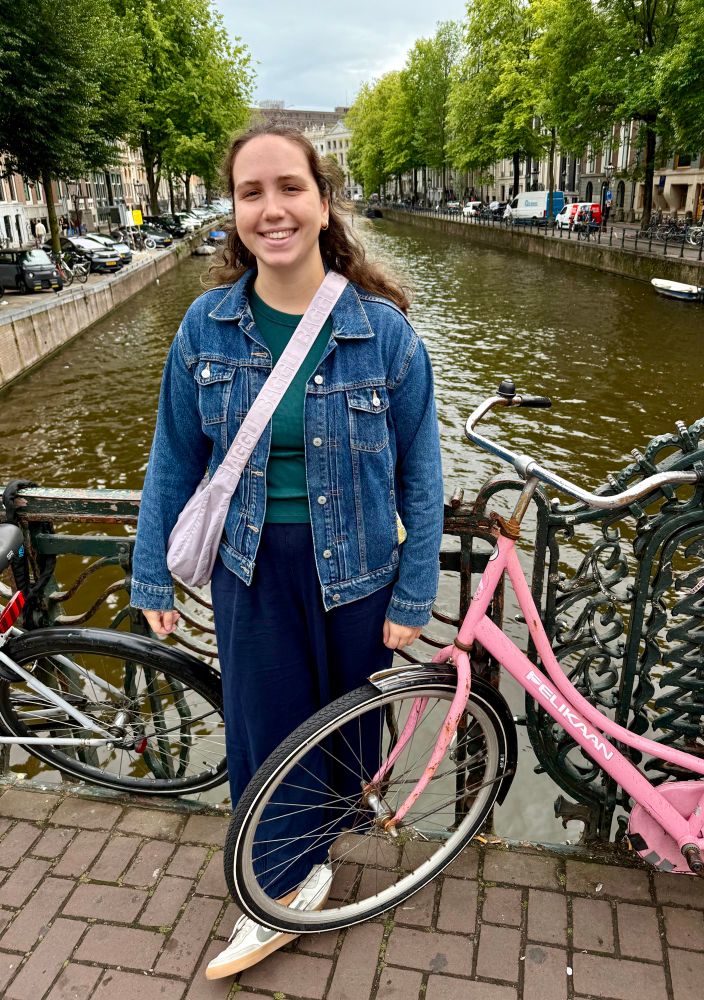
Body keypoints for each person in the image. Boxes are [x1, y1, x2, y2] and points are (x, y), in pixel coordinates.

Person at [129, 122, 444, 978]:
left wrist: (413, 593)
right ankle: (276, 886)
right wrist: (151, 570)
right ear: (233, 211)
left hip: (359, 574)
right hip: (252, 569)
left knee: (344, 734)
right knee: (265, 731)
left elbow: (422, 475)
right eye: (251, 193)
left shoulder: (383, 332)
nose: (272, 209)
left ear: (323, 202)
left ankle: (315, 853)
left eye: (290, 188)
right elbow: (173, 458)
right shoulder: (207, 328)